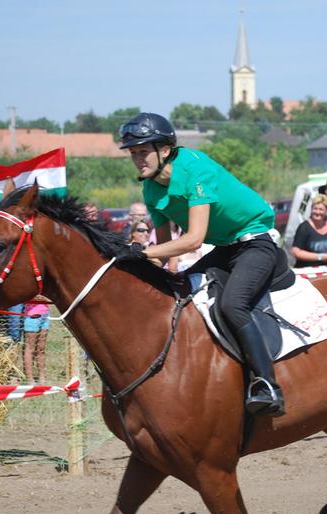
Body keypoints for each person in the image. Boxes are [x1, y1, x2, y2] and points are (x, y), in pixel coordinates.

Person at [118, 112, 288, 416]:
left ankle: (267, 385)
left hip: (256, 243)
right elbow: (164, 248)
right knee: (179, 293)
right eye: (133, 153)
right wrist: (138, 263)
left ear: (165, 150)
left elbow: (194, 240)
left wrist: (142, 253)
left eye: (143, 151)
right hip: (225, 247)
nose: (137, 159)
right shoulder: (150, 187)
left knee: (232, 305)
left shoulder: (196, 168)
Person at [291, 193, 327, 268]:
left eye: (321, 209)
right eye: (315, 208)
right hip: (306, 270)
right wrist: (320, 256)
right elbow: (296, 252)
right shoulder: (304, 227)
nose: (317, 212)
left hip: (326, 270)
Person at [23, 297, 51, 384]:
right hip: (33, 315)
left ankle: (42, 378)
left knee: (41, 348)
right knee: (30, 347)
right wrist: (46, 299)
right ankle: (30, 379)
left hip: (45, 314)